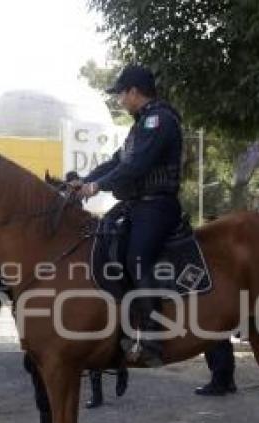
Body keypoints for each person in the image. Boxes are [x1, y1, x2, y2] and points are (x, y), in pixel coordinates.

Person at [73, 64, 184, 367]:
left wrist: (96, 187)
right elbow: (116, 162)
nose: (119, 100)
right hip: (136, 205)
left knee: (136, 257)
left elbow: (135, 168)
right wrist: (83, 181)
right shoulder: (140, 125)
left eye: (121, 94)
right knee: (103, 239)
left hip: (157, 206)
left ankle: (153, 336)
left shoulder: (159, 120)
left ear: (134, 92)